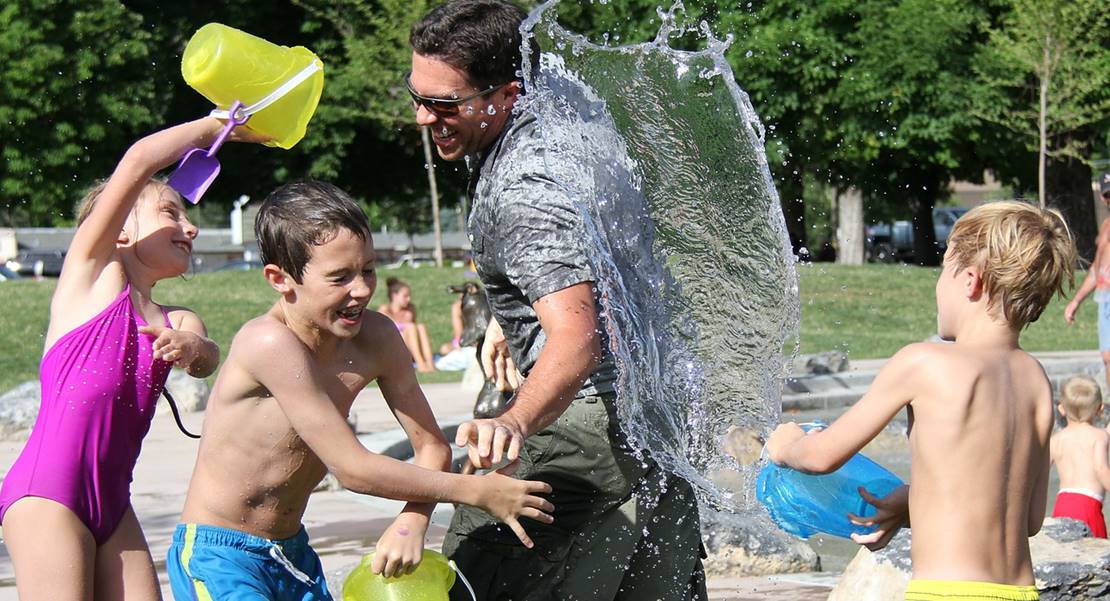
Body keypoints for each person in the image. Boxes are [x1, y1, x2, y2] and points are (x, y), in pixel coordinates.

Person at [409, 2, 707, 599]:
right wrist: (509, 311)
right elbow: (595, 260)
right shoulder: (576, 114)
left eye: (444, 104)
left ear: (507, 93)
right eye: (417, 96)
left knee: (471, 582)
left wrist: (514, 418)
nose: (423, 118)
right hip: (660, 415)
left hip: (581, 426)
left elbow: (576, 338)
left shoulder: (523, 188)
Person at [166, 180, 554, 601]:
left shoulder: (378, 338)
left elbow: (431, 448)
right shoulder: (268, 342)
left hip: (292, 554)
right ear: (280, 279)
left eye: (368, 269)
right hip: (221, 555)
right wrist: (478, 492)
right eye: (339, 277)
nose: (362, 289)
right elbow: (351, 468)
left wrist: (412, 521)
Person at [767, 201, 1078, 601]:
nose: (937, 287)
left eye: (942, 273)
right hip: (1019, 591)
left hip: (945, 593)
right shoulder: (1035, 380)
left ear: (970, 281)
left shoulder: (924, 363)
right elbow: (1028, 518)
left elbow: (820, 456)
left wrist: (785, 445)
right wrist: (913, 501)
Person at [0, 118, 233, 600]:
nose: (189, 225)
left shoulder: (178, 319)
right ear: (121, 230)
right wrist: (215, 125)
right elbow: (139, 162)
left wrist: (194, 350)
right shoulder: (92, 277)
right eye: (171, 213)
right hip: (48, 493)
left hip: (114, 502)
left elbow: (207, 358)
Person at [1064, 173, 1110, 392]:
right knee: (1108, 357)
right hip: (1104, 297)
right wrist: (1076, 301)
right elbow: (1095, 270)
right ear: (1102, 197)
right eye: (1109, 195)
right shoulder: (1105, 227)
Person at [1049, 375, 1109, 538]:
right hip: (1088, 506)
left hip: (1061, 504)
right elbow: (1100, 468)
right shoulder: (1099, 436)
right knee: (1097, 558)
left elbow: (1037, 471)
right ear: (1100, 409)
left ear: (1061, 408)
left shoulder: (1055, 440)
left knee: (1066, 557)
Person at [377, 277, 437, 372]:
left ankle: (430, 363)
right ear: (394, 296)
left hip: (409, 349)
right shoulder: (385, 310)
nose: (408, 299)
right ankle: (421, 364)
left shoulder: (410, 309)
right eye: (405, 296)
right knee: (411, 327)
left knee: (421, 327)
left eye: (409, 296)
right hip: (392, 348)